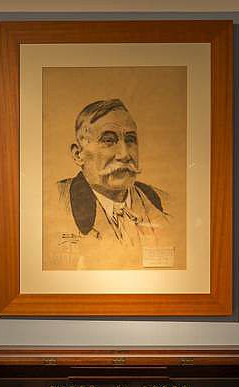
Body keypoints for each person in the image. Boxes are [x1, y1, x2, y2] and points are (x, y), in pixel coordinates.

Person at [47, 99, 171, 270]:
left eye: (130, 140)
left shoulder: (165, 204)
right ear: (78, 155)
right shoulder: (52, 203)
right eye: (108, 140)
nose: (125, 154)